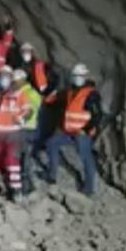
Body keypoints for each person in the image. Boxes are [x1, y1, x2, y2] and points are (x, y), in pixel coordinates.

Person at [46, 63, 102, 196]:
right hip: (69, 131)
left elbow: (98, 115)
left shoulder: (91, 94)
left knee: (86, 158)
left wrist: (87, 129)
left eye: (80, 76)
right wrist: (51, 93)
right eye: (76, 76)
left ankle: (88, 188)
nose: (78, 78)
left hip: (82, 133)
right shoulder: (70, 92)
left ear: (85, 77)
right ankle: (51, 175)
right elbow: (51, 102)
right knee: (51, 143)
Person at [0, 66, 30, 201]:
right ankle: (8, 189)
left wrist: (22, 118)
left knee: (11, 161)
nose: (3, 78)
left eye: (6, 75)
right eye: (1, 75)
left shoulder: (19, 94)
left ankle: (17, 190)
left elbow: (28, 110)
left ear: (11, 78)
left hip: (13, 134)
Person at [12, 69, 42, 194]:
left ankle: (26, 188)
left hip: (27, 130)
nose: (14, 83)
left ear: (22, 80)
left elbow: (31, 110)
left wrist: (22, 119)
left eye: (16, 81)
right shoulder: (17, 93)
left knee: (24, 160)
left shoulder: (31, 93)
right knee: (21, 159)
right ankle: (23, 186)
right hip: (19, 130)